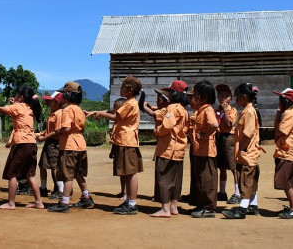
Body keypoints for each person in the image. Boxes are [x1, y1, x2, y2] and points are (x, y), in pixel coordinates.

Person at [0, 85, 44, 209]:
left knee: (12, 174)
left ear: (21, 97)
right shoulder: (30, 108)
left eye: (17, 95)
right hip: (31, 143)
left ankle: (11, 203)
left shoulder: (18, 107)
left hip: (21, 143)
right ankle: (39, 202)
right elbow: (19, 111)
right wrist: (16, 102)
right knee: (30, 175)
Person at [88, 75, 144, 215]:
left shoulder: (130, 103)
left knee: (130, 173)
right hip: (124, 141)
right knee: (127, 172)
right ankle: (129, 202)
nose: (120, 89)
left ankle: (132, 204)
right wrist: (96, 112)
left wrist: (99, 113)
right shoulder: (128, 103)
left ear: (130, 90)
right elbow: (114, 113)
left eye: (123, 87)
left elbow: (115, 117)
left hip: (127, 141)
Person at [48, 81, 93, 213]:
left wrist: (57, 133)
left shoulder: (67, 110)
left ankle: (64, 202)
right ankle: (86, 197)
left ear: (68, 95)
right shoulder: (79, 109)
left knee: (67, 175)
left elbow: (66, 128)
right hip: (80, 144)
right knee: (78, 173)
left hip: (69, 145)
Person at [149, 80, 189, 218]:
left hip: (168, 148)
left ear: (174, 94)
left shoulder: (172, 108)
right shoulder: (184, 109)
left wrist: (157, 131)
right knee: (176, 179)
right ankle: (173, 206)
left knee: (164, 178)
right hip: (179, 148)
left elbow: (167, 125)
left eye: (171, 92)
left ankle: (165, 209)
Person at [222, 83, 261, 219]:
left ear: (244, 97)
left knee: (246, 180)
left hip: (247, 153)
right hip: (248, 152)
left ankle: (242, 209)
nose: (235, 100)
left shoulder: (249, 112)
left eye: (237, 96)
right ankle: (253, 205)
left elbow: (247, 134)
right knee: (250, 180)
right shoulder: (247, 110)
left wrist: (242, 149)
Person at [188, 80, 219, 218]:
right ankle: (201, 205)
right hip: (199, 150)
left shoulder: (207, 110)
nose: (194, 96)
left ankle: (209, 207)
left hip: (207, 151)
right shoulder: (200, 110)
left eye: (196, 93)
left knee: (207, 179)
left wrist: (206, 135)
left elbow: (214, 124)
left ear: (203, 95)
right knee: (200, 179)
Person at [273, 88, 293, 219]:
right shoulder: (289, 113)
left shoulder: (290, 114)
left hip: (286, 153)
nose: (279, 101)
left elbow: (280, 131)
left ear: (289, 101)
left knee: (285, 182)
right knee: (290, 182)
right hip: (289, 152)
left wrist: (279, 113)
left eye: (282, 99)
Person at [37, 91, 64, 199]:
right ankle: (43, 188)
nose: (49, 103)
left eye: (51, 101)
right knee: (42, 165)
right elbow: (50, 129)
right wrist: (41, 133)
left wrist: (44, 137)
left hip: (54, 143)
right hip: (49, 142)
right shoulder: (53, 113)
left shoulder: (59, 114)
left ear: (57, 103)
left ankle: (61, 191)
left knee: (54, 167)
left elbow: (57, 131)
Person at [215, 84, 239, 204]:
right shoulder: (216, 110)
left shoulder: (232, 110)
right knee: (222, 167)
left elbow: (229, 125)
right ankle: (222, 192)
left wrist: (225, 110)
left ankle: (238, 192)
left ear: (231, 98)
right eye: (221, 95)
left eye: (226, 95)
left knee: (233, 167)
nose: (223, 98)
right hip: (219, 138)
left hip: (229, 138)